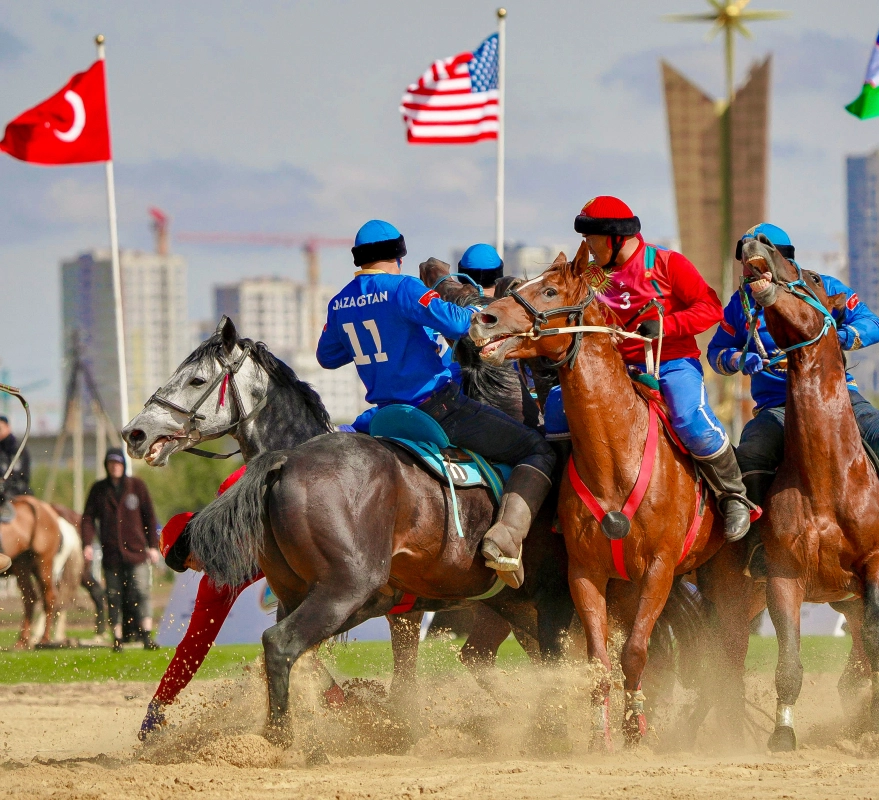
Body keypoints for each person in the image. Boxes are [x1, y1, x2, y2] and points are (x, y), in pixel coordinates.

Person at [316, 220, 555, 589]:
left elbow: (327, 356)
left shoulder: (340, 301)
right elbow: (461, 323)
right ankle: (506, 537)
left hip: (383, 416)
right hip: (438, 409)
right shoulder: (405, 287)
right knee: (535, 447)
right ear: (398, 255)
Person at [706, 223, 879, 579]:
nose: (748, 271)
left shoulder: (821, 288)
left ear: (781, 259)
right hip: (777, 408)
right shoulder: (741, 304)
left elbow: (871, 322)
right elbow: (717, 351)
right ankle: (761, 543)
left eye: (757, 263)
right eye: (745, 264)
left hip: (839, 399)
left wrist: (840, 337)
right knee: (750, 452)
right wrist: (737, 359)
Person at [542, 196, 755, 541]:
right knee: (555, 406)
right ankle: (559, 502)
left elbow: (711, 308)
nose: (588, 247)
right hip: (612, 370)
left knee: (691, 419)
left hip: (671, 363)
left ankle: (733, 497)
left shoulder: (668, 264)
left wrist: (665, 325)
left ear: (614, 238)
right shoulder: (592, 276)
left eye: (591, 239)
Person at [138, 465, 347, 740]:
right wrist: (160, 702)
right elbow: (193, 647)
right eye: (188, 567)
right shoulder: (217, 582)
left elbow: (274, 456)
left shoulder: (231, 493)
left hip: (328, 525)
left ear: (197, 537)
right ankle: (343, 709)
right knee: (288, 647)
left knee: (287, 643)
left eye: (190, 560)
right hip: (316, 574)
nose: (196, 569)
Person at [80, 447, 160, 651]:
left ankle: (146, 635)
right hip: (111, 553)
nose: (114, 467)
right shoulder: (99, 489)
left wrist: (152, 546)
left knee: (141, 591)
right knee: (114, 595)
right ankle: (117, 637)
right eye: (111, 463)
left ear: (123, 465)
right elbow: (88, 518)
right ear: (106, 466)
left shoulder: (137, 486)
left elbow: (149, 517)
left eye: (118, 463)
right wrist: (87, 543)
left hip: (136, 552)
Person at [0, 414, 31, 526]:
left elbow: (18, 474)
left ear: (8, 427)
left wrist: (4, 485)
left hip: (18, 490)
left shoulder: (17, 448)